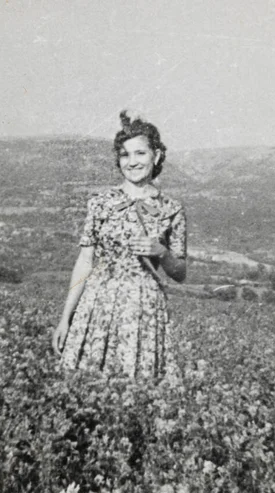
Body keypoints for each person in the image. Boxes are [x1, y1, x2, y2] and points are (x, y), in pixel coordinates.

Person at [52, 110, 187, 380]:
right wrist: (65, 317)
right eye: (125, 155)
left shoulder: (172, 209)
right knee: (84, 386)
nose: (132, 162)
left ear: (156, 156)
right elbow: (84, 262)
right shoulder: (100, 203)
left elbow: (180, 273)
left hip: (143, 311)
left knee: (136, 390)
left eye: (140, 153)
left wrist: (160, 251)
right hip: (96, 307)